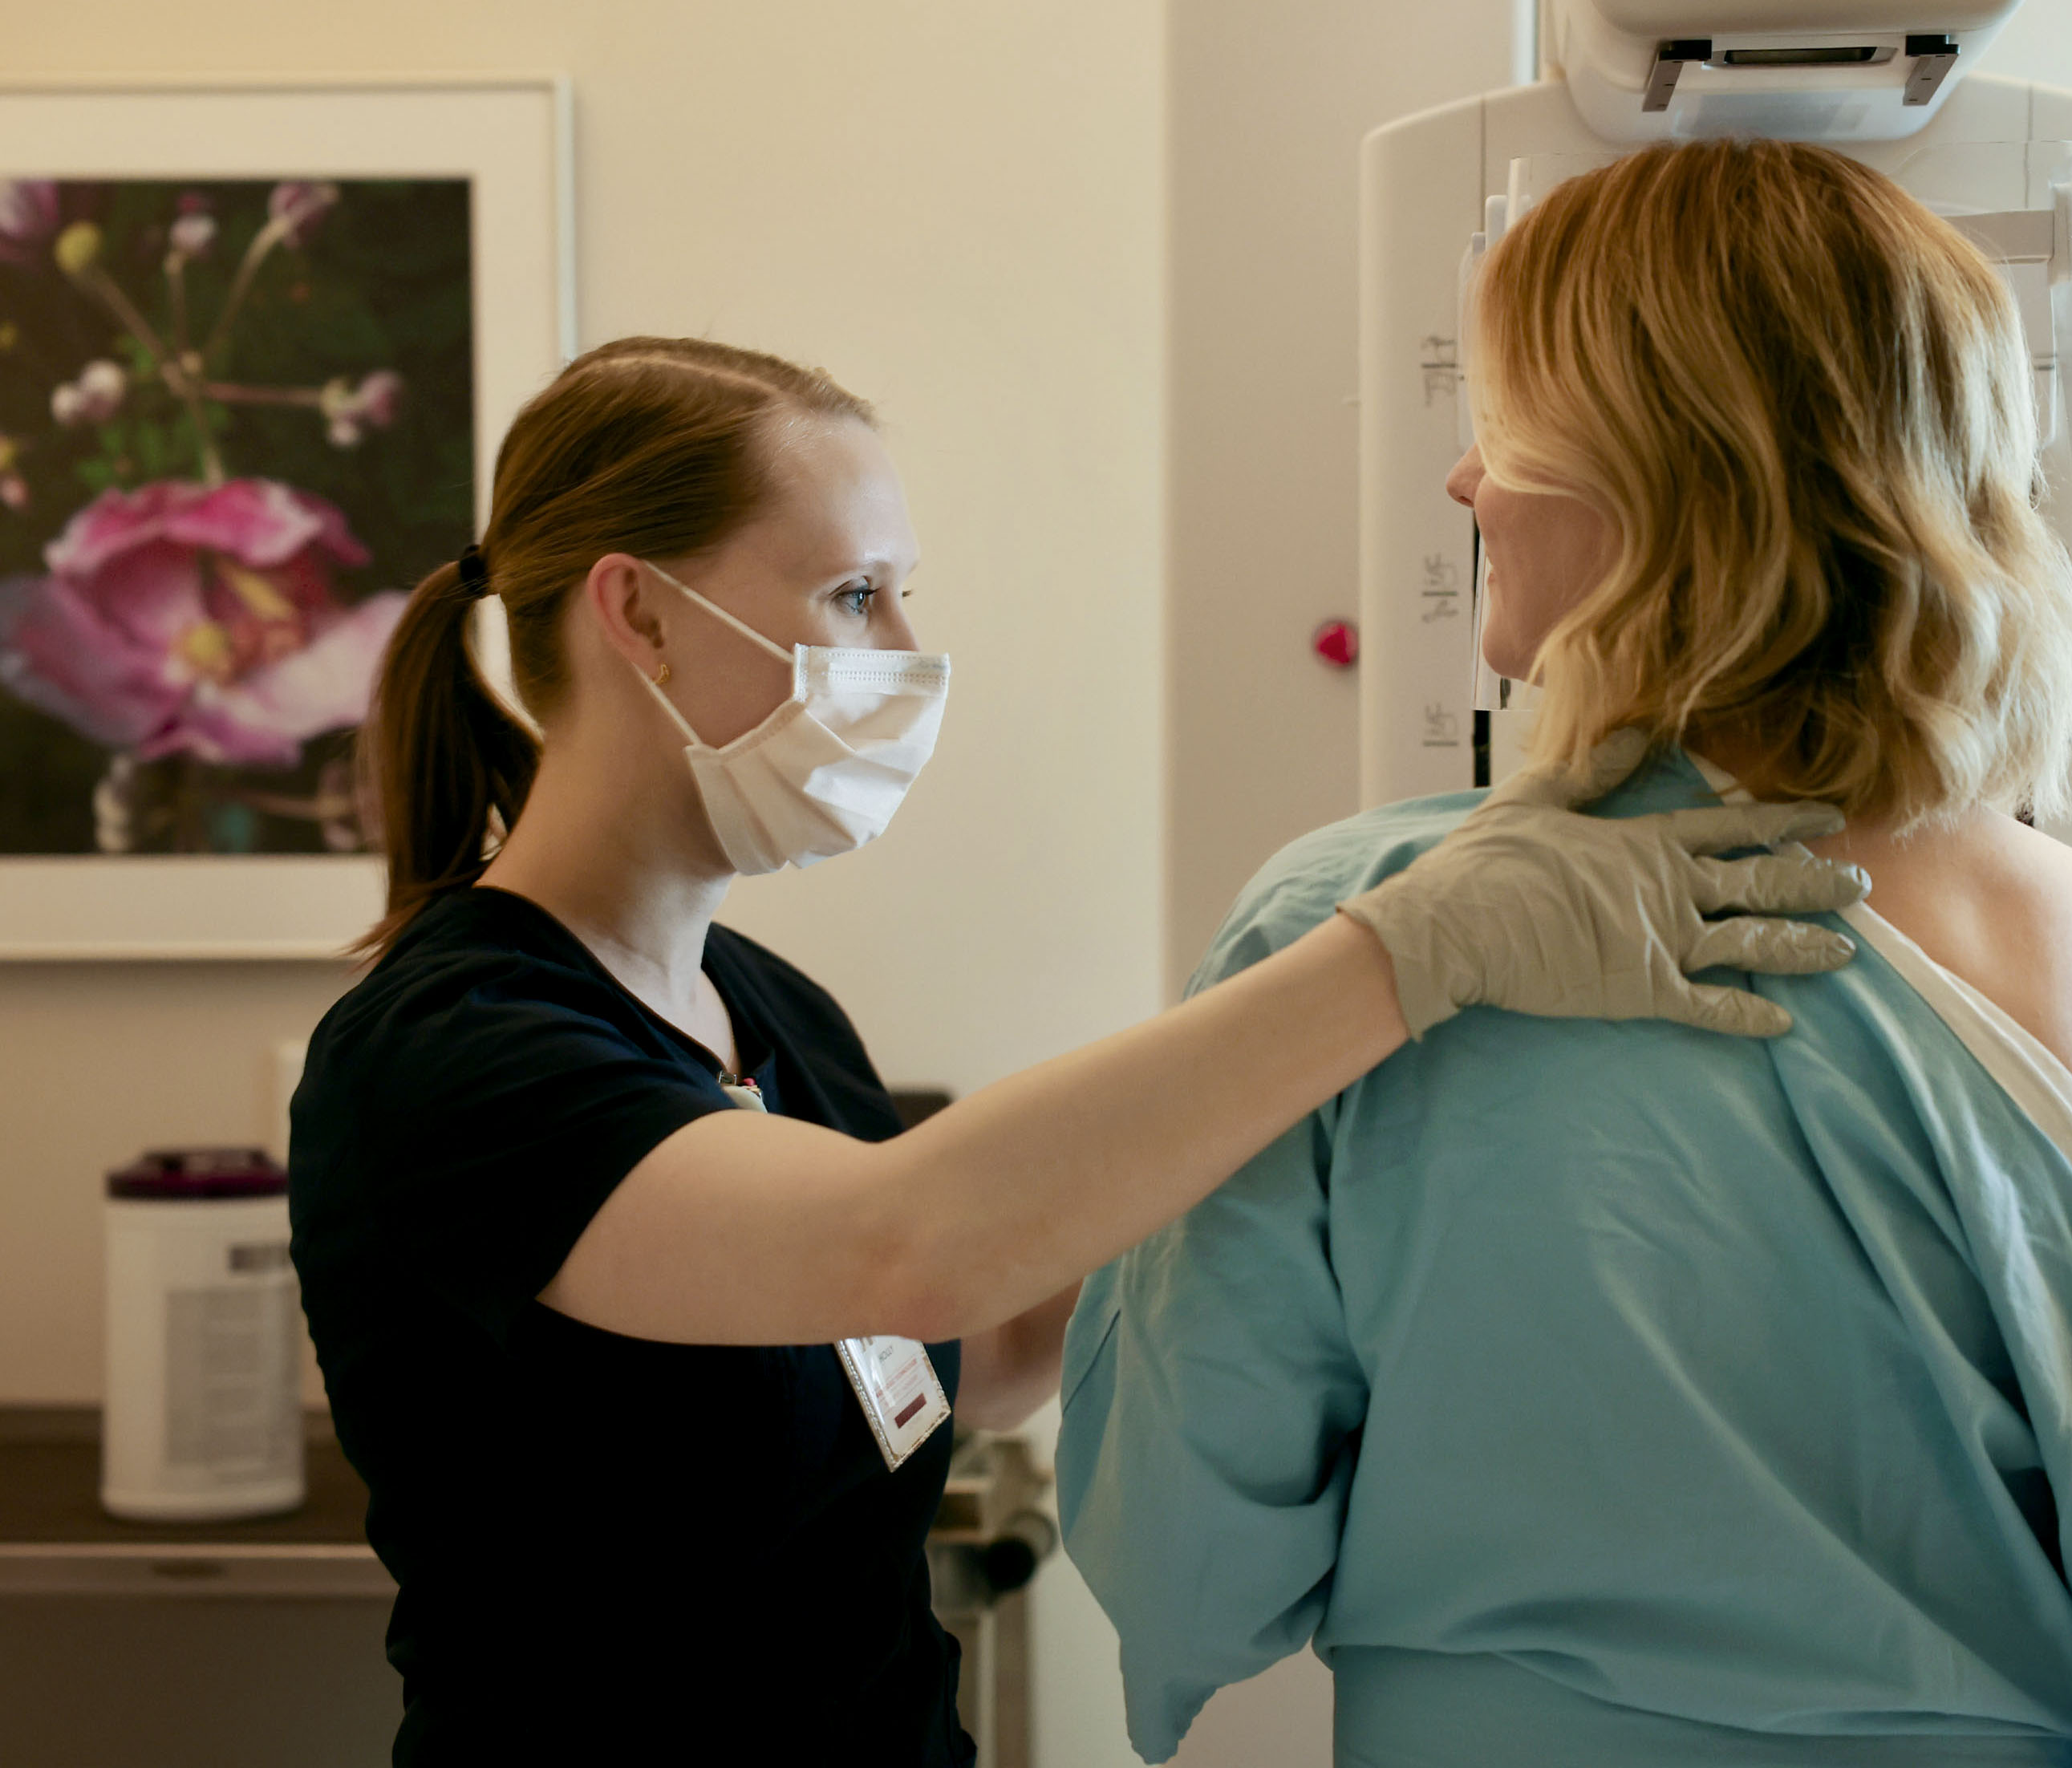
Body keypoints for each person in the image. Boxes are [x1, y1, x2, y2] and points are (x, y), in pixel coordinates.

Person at [283, 335, 1872, 1766]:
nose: (908, 649)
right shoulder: (449, 1055)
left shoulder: (767, 1010)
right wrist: (1403, 950)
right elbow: (905, 1252)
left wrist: (1336, 1155)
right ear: (637, 611)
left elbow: (980, 1350)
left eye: (904, 592)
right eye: (855, 596)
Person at [1055, 140, 2072, 1768]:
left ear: (1668, 473)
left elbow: (1190, 1566)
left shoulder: (1365, 939)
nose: (1465, 483)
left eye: (1506, 425)